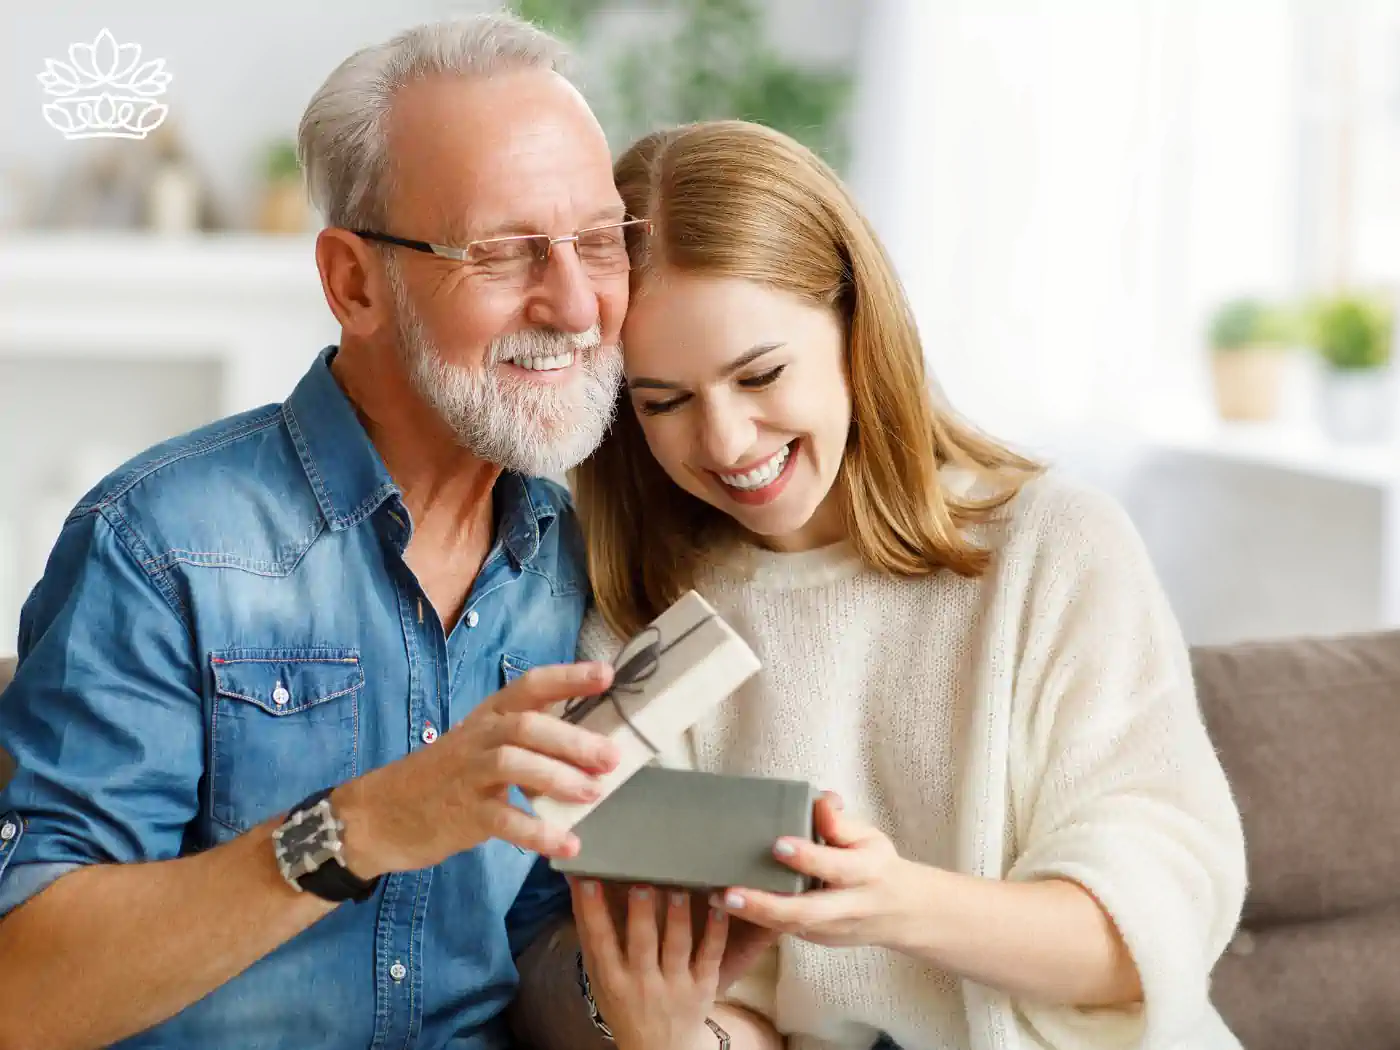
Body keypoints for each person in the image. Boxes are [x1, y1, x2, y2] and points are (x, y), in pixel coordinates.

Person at [0, 14, 670, 1050]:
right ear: (354, 282)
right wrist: (365, 827)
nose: (577, 303)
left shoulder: (571, 562)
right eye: (501, 251)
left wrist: (633, 994)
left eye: (597, 240)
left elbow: (527, 945)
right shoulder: (159, 544)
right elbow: (24, 994)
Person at [555, 120, 1250, 1050]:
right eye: (664, 403)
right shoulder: (645, 626)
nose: (723, 442)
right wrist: (675, 1036)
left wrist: (895, 904)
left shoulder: (1053, 548)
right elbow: (745, 1000)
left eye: (760, 373)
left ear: (854, 325)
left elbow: (1149, 937)